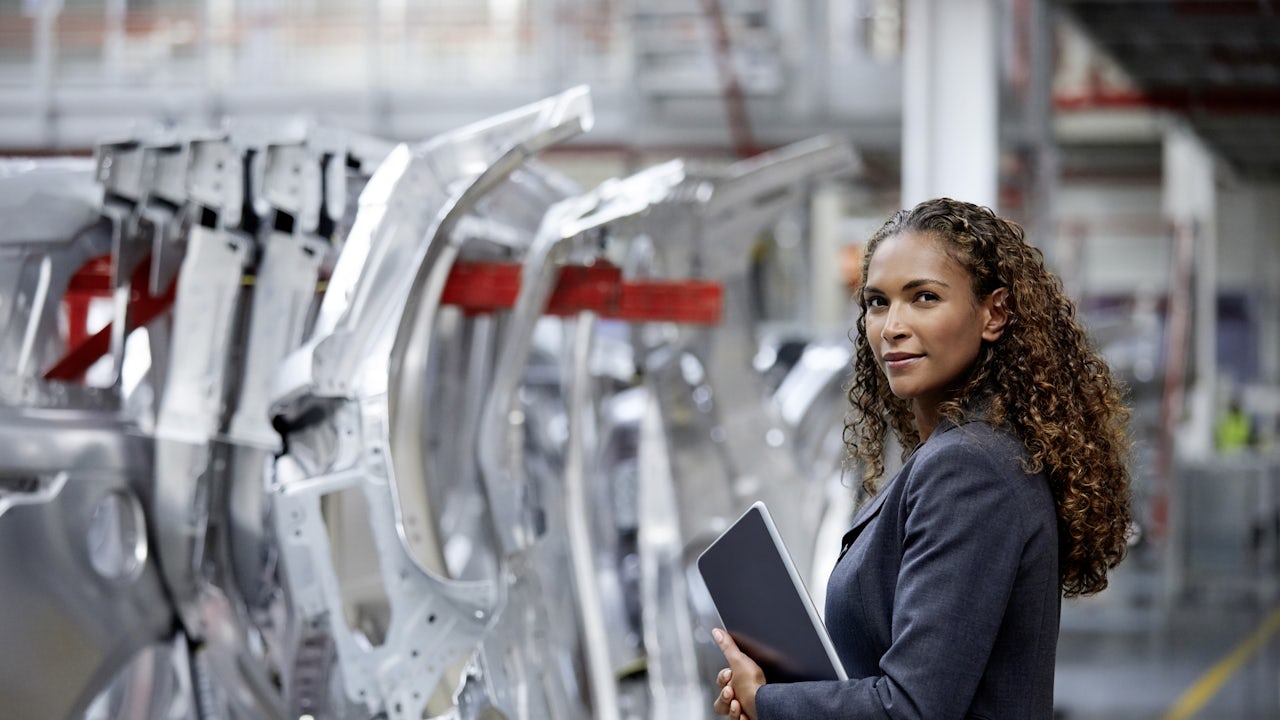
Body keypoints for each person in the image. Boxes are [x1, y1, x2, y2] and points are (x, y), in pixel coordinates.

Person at [711, 198, 1132, 720]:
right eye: (877, 302)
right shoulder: (962, 453)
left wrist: (767, 701)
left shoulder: (969, 470)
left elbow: (912, 709)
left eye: (924, 297)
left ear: (993, 313)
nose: (892, 327)